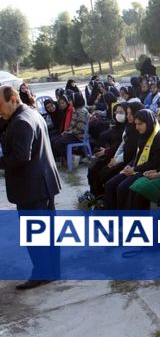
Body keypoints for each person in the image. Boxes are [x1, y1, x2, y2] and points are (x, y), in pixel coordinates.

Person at [0, 86, 61, 289]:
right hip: (42, 182)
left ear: (13, 99)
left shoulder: (21, 122)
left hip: (31, 187)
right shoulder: (30, 112)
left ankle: (41, 273)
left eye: (0, 105)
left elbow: (20, 156)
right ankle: (52, 270)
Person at [103, 109, 160, 210]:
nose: (137, 127)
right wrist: (130, 165)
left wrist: (135, 169)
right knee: (110, 184)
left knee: (122, 188)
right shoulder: (143, 135)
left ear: (148, 123)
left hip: (147, 171)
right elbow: (138, 155)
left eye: (140, 124)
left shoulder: (158, 139)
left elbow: (155, 163)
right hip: (136, 168)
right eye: (136, 124)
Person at [126, 109, 160, 210]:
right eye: (159, 122)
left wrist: (159, 173)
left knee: (140, 187)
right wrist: (156, 171)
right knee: (134, 187)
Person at [51, 93, 89, 160]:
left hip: (79, 137)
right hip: (74, 134)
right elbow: (72, 126)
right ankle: (70, 157)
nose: (69, 102)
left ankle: (74, 156)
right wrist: (66, 131)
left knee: (58, 143)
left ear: (75, 101)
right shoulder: (76, 110)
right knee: (54, 140)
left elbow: (79, 129)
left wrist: (68, 132)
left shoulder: (82, 112)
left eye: (70, 100)